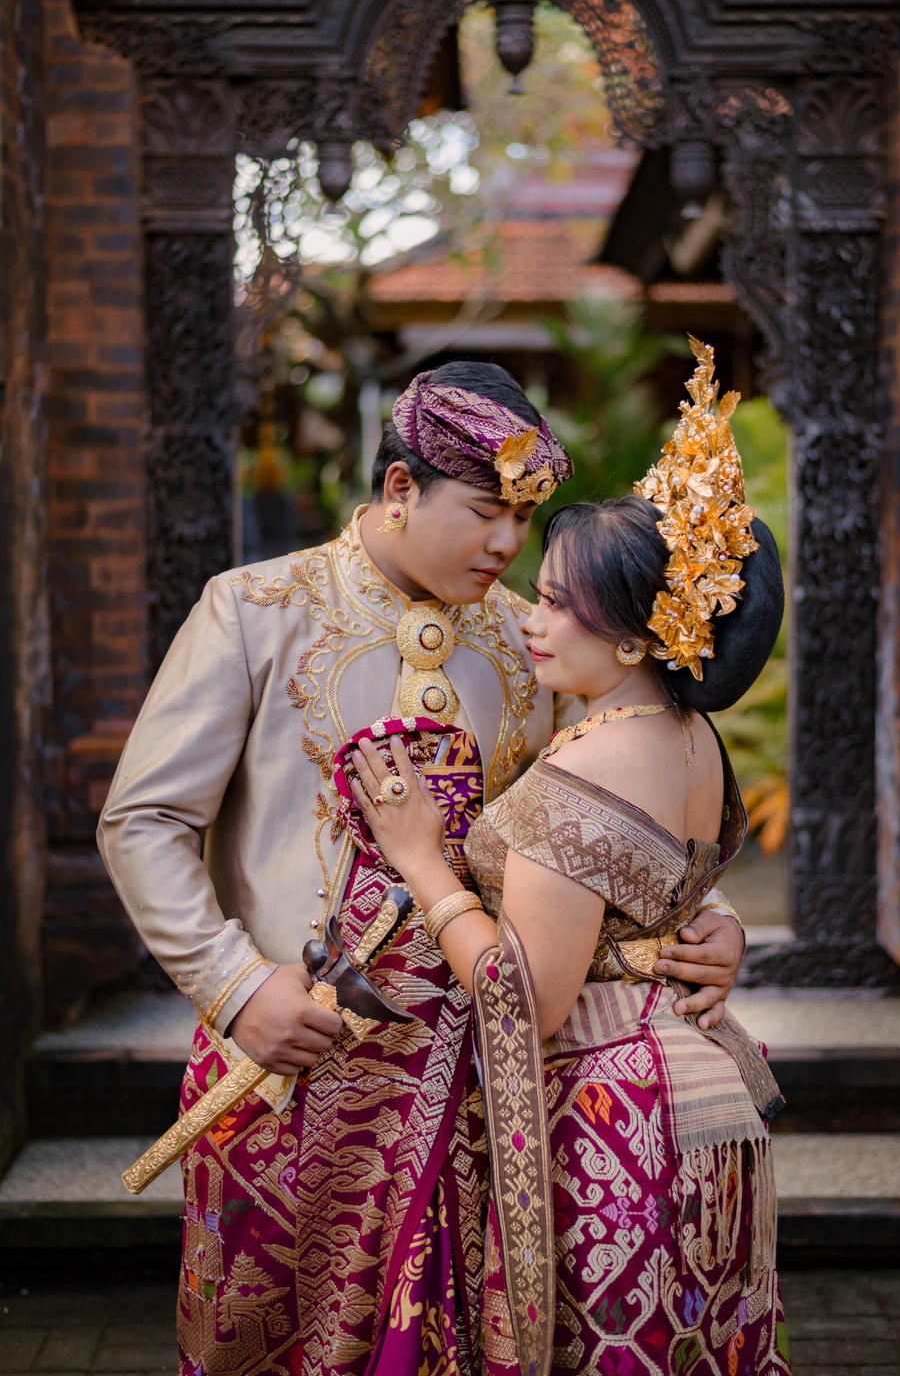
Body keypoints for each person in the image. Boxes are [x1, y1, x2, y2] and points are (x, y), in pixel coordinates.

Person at [98, 359, 748, 1376]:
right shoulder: (256, 609)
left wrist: (704, 920)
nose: (508, 544)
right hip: (284, 1064)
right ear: (400, 486)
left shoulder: (532, 642)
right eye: (487, 512)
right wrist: (235, 987)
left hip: (476, 1094)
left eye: (522, 519)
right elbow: (142, 820)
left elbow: (612, 805)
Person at [350, 341, 792, 1376]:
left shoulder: (589, 768)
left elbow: (527, 996)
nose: (530, 620)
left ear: (636, 638)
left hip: (614, 1109)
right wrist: (719, 930)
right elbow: (667, 895)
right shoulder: (688, 735)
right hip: (702, 1093)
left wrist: (423, 862)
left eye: (557, 604)